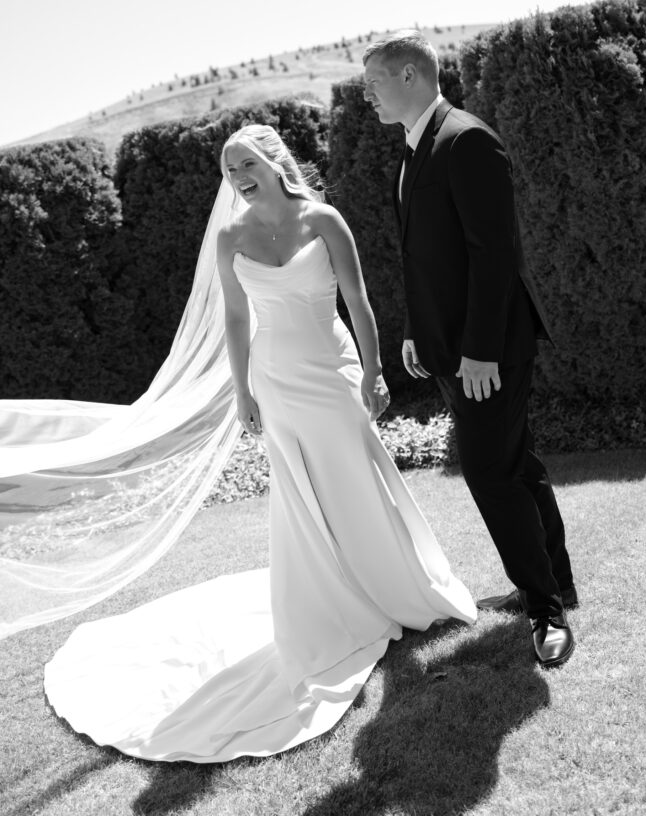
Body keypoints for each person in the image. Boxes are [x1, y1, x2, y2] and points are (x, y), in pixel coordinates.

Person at [42, 124, 476, 763]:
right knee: (301, 496)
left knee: (357, 482)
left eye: (246, 164)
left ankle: (395, 587)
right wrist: (243, 391)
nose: (238, 177)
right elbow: (237, 317)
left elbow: (358, 300)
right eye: (229, 170)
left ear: (274, 162)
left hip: (331, 370)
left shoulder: (323, 220)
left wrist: (375, 371)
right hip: (275, 380)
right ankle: (329, 603)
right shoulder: (230, 237)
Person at [362, 31, 577, 667]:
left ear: (409, 75)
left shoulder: (467, 139)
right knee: (516, 463)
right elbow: (427, 259)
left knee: (488, 473)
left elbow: (494, 255)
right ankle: (557, 584)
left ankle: (545, 610)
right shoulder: (414, 149)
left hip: (488, 351)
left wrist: (479, 351)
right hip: (448, 349)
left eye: (374, 82)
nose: (367, 95)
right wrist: (417, 331)